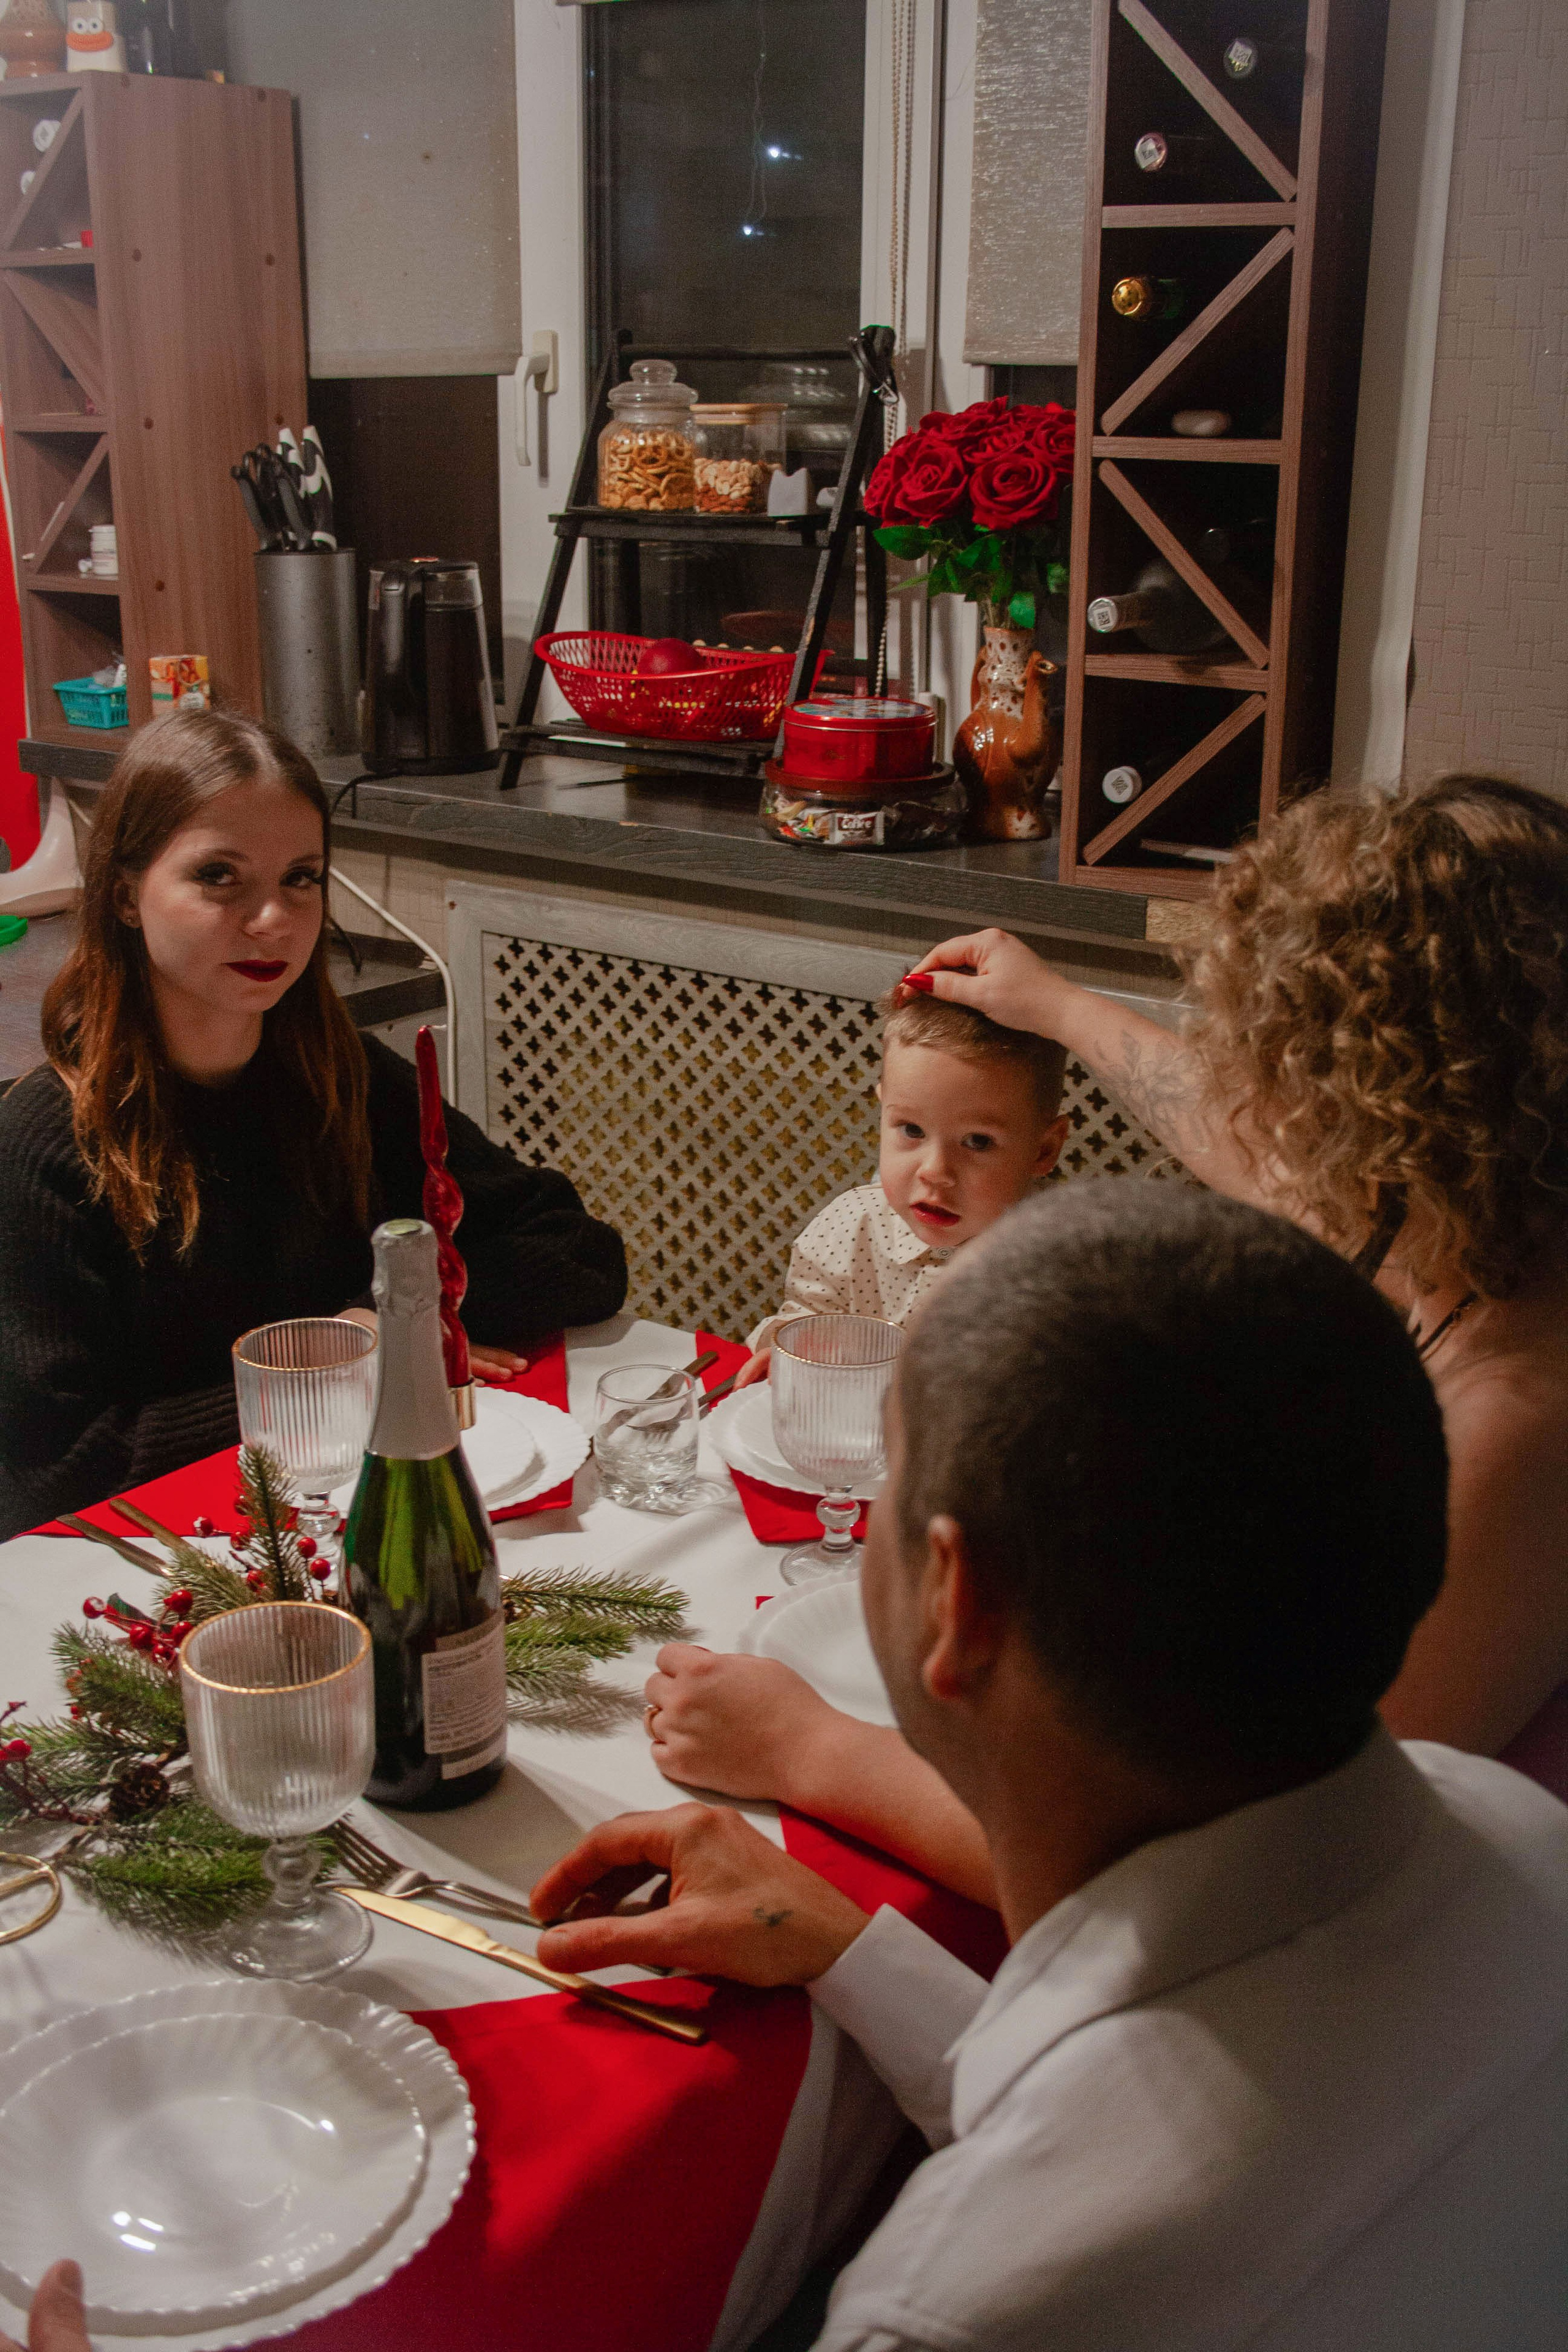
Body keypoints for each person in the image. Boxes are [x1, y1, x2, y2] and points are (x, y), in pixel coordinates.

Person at [533, 1186, 1568, 2352]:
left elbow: (1096, 2177)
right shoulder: (1518, 1830)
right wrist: (850, 1951)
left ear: (957, 1600)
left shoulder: (951, 2312)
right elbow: (1118, 2114)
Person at [646, 775, 1568, 1887]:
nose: (1246, 1107)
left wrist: (808, 1749)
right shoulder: (1477, 1236)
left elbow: (1238, 1878)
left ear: (1389, 1109)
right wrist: (1056, 1007)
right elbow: (1245, 1151)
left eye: (1274, 1076)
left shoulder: (1519, 1426)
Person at [0, 710, 627, 1540]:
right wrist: (328, 1368)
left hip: (351, 1511)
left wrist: (398, 1322)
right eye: (219, 876)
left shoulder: (343, 1075)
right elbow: (52, 1471)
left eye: (301, 877)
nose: (274, 919)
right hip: (164, 1550)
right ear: (124, 894)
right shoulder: (47, 1143)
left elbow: (581, 1253)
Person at [737, 989, 1066, 1385]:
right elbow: (807, 1316)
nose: (935, 1171)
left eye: (978, 1141)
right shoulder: (850, 1225)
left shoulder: (1058, 1268)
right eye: (912, 1130)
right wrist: (794, 1349)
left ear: (1044, 1150)